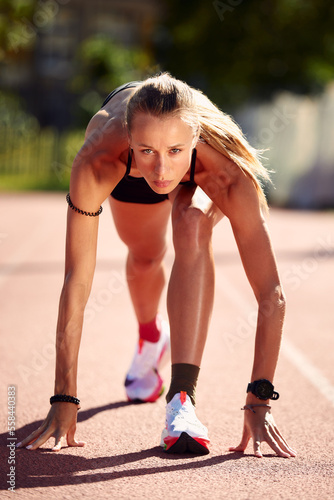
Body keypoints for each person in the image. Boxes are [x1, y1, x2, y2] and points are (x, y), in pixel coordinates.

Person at [16, 73, 296, 458]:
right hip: (128, 175)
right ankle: (151, 336)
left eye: (175, 151)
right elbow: (76, 281)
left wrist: (260, 400)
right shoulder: (99, 159)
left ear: (195, 139)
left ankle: (181, 399)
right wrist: (64, 395)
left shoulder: (225, 172)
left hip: (196, 170)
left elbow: (271, 294)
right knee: (145, 258)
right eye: (147, 150)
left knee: (191, 224)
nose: (162, 171)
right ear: (130, 139)